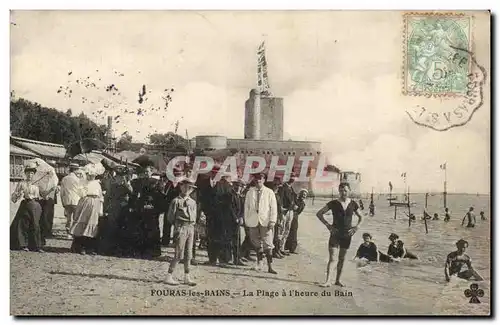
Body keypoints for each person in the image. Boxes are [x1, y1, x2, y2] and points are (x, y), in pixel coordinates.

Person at [316, 182, 364, 287]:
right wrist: (328, 225)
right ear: (339, 191)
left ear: (349, 191)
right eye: (341, 190)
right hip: (335, 233)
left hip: (347, 235)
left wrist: (356, 227)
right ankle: (328, 281)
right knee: (333, 258)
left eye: (345, 190)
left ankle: (337, 280)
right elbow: (319, 213)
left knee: (342, 258)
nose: (343, 193)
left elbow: (361, 217)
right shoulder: (333, 203)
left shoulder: (353, 204)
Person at [165, 177, 198, 286]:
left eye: (190, 188)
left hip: (190, 227)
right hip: (181, 227)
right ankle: (169, 276)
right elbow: (170, 217)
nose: (188, 189)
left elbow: (194, 216)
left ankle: (186, 276)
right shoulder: (176, 201)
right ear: (181, 187)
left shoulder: (193, 202)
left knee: (189, 254)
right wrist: (178, 228)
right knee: (178, 254)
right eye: (185, 187)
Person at [244, 173, 278, 274]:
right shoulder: (250, 192)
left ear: (264, 180)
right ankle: (259, 263)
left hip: (266, 221)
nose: (258, 180)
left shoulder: (269, 192)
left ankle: (270, 266)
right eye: (256, 178)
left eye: (260, 179)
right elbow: (246, 207)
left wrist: (272, 220)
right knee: (256, 243)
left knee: (268, 244)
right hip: (253, 220)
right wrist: (246, 220)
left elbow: (274, 208)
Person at [129, 164, 163, 258]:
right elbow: (137, 195)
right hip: (142, 209)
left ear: (151, 172)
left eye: (147, 172)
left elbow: (160, 197)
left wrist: (155, 206)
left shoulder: (156, 182)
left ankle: (155, 251)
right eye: (144, 172)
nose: (146, 173)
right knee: (142, 230)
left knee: (153, 230)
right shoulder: (139, 182)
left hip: (153, 210)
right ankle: (142, 250)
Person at [70, 164, 104, 255]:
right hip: (85, 203)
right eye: (89, 175)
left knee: (92, 225)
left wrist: (100, 209)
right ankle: (79, 247)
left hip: (95, 203)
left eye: (93, 175)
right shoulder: (82, 182)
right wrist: (84, 189)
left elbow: (100, 196)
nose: (91, 177)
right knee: (82, 223)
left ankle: (89, 247)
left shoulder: (97, 183)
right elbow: (80, 193)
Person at [10, 161, 44, 252]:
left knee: (36, 225)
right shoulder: (22, 183)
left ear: (34, 174)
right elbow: (13, 199)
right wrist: (18, 194)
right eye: (28, 173)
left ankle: (37, 246)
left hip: (35, 206)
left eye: (32, 173)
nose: (30, 175)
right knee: (23, 224)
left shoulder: (37, 184)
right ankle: (23, 245)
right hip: (25, 205)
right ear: (25, 173)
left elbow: (41, 196)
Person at [99, 166, 133, 256]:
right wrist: (104, 207)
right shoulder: (112, 185)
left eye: (122, 177)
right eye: (119, 177)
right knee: (112, 227)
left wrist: (126, 184)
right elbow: (107, 197)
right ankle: (111, 249)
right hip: (114, 208)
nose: (120, 178)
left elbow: (132, 194)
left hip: (123, 208)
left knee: (122, 228)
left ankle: (120, 249)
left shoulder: (126, 185)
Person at [210, 172, 239, 266]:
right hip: (227, 216)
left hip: (215, 215)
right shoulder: (229, 188)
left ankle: (213, 259)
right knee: (225, 238)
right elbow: (230, 203)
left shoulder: (216, 186)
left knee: (215, 237)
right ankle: (225, 259)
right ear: (228, 178)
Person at [60, 163, 84, 239]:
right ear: (75, 170)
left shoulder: (64, 179)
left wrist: (63, 201)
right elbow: (81, 191)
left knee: (68, 218)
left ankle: (68, 233)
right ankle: (73, 233)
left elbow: (62, 192)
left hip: (67, 200)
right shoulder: (78, 180)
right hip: (76, 200)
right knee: (76, 218)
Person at [39, 160, 59, 245]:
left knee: (50, 215)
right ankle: (45, 231)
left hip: (51, 197)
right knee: (45, 215)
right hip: (45, 198)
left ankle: (48, 231)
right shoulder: (43, 176)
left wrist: (56, 189)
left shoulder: (53, 176)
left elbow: (55, 184)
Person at [160, 169, 182, 247]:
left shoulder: (181, 184)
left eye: (178, 175)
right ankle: (165, 241)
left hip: (179, 207)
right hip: (168, 207)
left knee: (177, 225)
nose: (176, 177)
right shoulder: (168, 184)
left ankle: (176, 242)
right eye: (175, 175)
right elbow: (164, 195)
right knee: (167, 223)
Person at [278, 175, 297, 256]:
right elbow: (280, 199)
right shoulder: (283, 187)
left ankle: (282, 248)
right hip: (285, 211)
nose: (292, 179)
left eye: (294, 177)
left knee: (287, 230)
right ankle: (278, 249)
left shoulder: (291, 188)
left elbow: (293, 199)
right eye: (291, 177)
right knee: (281, 230)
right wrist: (281, 210)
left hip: (290, 211)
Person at [285, 189, 308, 254]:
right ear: (300, 194)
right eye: (303, 194)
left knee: (294, 232)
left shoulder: (303, 204)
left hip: (295, 217)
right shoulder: (295, 199)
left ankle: (292, 248)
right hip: (290, 215)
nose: (304, 196)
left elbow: (299, 212)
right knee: (287, 231)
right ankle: (286, 247)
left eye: (305, 195)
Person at [231, 178, 247, 266]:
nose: (238, 187)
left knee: (237, 240)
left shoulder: (240, 196)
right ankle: (230, 258)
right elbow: (230, 208)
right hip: (231, 220)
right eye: (236, 185)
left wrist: (241, 217)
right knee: (231, 240)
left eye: (240, 186)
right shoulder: (231, 195)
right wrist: (235, 218)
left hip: (238, 221)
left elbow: (242, 209)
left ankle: (237, 258)